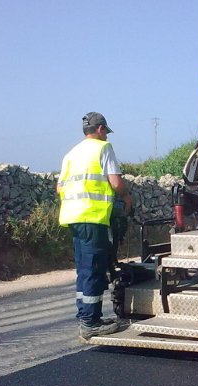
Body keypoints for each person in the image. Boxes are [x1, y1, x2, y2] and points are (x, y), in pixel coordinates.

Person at [58, 112, 133, 340]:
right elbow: (115, 182)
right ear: (100, 129)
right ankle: (91, 322)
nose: (106, 136)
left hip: (74, 218)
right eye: (105, 132)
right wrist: (127, 197)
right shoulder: (103, 148)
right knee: (94, 269)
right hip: (94, 217)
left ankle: (85, 316)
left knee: (83, 269)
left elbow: (59, 188)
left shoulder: (71, 154)